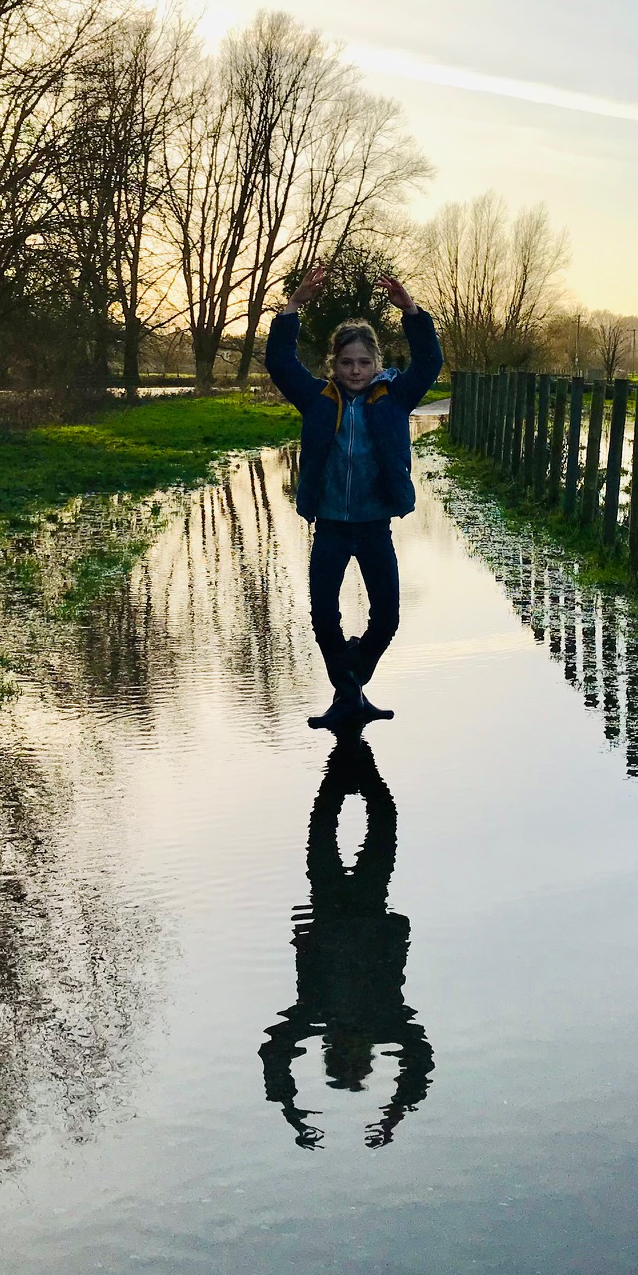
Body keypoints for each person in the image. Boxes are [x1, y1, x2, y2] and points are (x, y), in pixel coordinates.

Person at [265, 265, 444, 728]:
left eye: (364, 362)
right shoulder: (318, 399)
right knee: (324, 617)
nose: (356, 371)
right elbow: (280, 363)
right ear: (335, 365)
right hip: (330, 527)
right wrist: (293, 307)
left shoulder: (394, 397)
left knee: (386, 618)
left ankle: (350, 687)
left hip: (374, 527)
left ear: (376, 362)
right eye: (347, 363)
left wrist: (412, 312)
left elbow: (429, 362)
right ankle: (350, 698)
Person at [258, 734, 434, 1149]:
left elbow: (275, 1052)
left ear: (332, 1049)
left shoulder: (317, 1013)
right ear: (368, 1052)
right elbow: (419, 1060)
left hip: (330, 908)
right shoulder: (385, 1019)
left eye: (344, 1055)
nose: (351, 1045)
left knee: (325, 821)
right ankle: (357, 753)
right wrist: (396, 1112)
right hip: (369, 904)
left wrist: (291, 1109)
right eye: (358, 1058)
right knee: (380, 818)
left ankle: (347, 751)